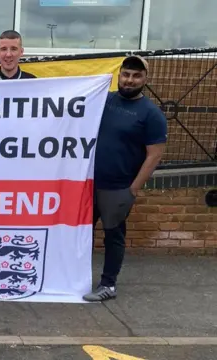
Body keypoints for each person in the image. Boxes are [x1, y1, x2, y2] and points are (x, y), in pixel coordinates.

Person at [83, 55, 167, 302]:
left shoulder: (151, 114)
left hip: (119, 188)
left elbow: (155, 155)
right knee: (81, 234)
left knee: (113, 235)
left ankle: (108, 284)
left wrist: (133, 189)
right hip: (89, 184)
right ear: (119, 75)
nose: (130, 80)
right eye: (126, 74)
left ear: (145, 80)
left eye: (136, 76)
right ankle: (76, 279)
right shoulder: (105, 100)